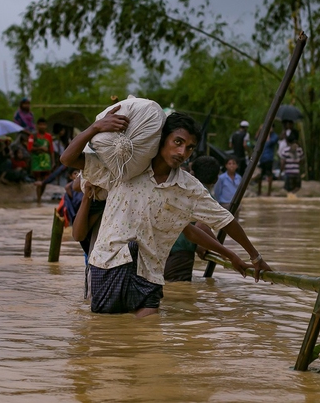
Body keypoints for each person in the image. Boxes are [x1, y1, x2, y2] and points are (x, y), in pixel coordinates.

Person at [61, 108, 272, 317]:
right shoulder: (124, 169)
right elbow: (68, 159)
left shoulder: (189, 189)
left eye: (189, 148)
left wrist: (253, 256)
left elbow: (225, 221)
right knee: (106, 338)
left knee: (149, 337)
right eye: (178, 142)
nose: (182, 153)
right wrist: (95, 127)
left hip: (149, 274)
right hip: (109, 264)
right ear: (162, 139)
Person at [163, 156, 221, 282]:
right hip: (181, 254)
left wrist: (199, 246)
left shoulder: (181, 190)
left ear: (192, 174)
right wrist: (221, 250)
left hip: (161, 247)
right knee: (179, 294)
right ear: (216, 179)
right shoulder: (207, 197)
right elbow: (201, 227)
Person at [28, 118, 55, 201]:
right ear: (37, 126)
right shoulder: (33, 136)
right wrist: (40, 148)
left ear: (46, 126)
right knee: (38, 179)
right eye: (40, 125)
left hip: (46, 161)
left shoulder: (49, 136)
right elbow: (29, 148)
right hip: (36, 160)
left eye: (44, 125)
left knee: (45, 181)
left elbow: (51, 150)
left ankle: (39, 197)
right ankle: (38, 198)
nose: (42, 126)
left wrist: (53, 161)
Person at [280, 134, 304, 198]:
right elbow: (302, 161)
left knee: (288, 189)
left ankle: (290, 197)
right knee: (297, 187)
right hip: (296, 172)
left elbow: (283, 162)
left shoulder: (285, 150)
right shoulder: (299, 150)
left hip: (288, 173)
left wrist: (281, 172)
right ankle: (292, 196)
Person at [257, 128, 279, 196]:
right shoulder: (263, 135)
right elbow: (256, 139)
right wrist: (260, 130)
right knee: (260, 175)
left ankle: (269, 192)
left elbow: (269, 142)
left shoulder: (274, 136)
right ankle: (259, 191)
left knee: (269, 174)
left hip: (269, 158)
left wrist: (268, 134)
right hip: (262, 158)